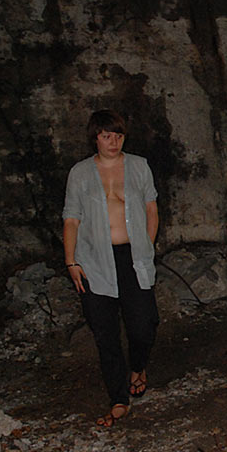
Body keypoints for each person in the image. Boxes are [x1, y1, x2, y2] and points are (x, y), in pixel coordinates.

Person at [62, 109, 159, 427]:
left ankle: (139, 365)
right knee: (105, 334)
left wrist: (147, 245)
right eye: (107, 135)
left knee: (143, 324)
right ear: (95, 137)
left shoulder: (139, 166)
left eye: (118, 135)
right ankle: (118, 397)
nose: (113, 141)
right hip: (93, 260)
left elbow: (151, 208)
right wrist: (71, 261)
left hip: (133, 255)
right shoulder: (79, 173)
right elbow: (72, 218)